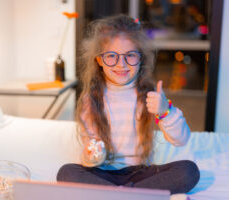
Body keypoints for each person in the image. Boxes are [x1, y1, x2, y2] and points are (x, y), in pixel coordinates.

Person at [56, 14, 200, 194]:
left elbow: (182, 139)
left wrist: (165, 111)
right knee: (67, 172)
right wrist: (91, 155)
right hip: (103, 173)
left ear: (141, 58)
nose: (121, 64)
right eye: (111, 56)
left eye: (130, 55)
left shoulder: (150, 96)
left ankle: (117, 195)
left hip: (140, 173)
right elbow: (90, 152)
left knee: (188, 171)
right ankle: (132, 195)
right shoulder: (91, 99)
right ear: (99, 60)